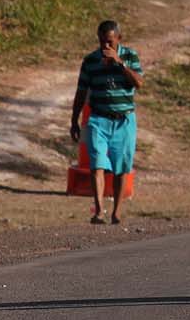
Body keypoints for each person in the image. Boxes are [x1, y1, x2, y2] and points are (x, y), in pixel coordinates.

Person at [70, 19, 143, 225]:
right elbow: (81, 92)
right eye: (102, 42)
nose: (106, 47)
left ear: (119, 39)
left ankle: (117, 212)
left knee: (121, 167)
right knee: (97, 164)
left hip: (124, 120)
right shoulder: (90, 61)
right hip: (98, 119)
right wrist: (74, 120)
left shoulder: (130, 56)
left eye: (110, 42)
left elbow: (139, 83)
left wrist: (120, 63)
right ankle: (99, 210)